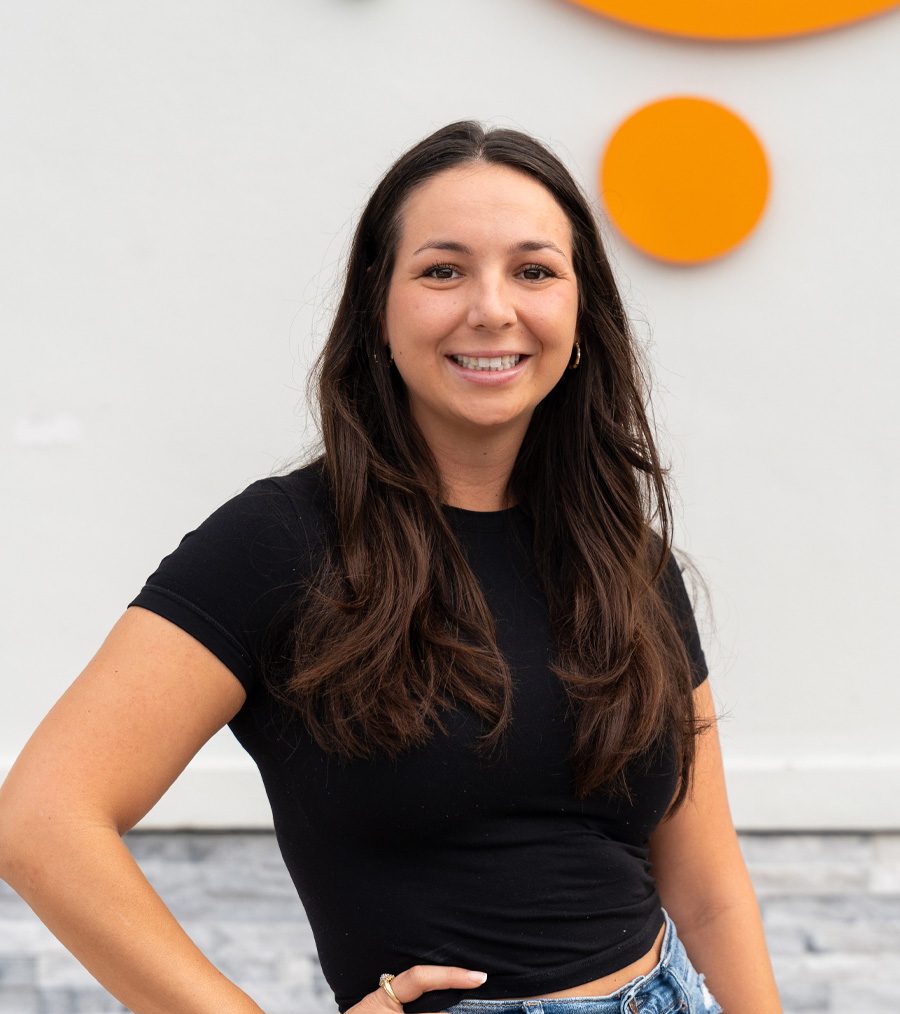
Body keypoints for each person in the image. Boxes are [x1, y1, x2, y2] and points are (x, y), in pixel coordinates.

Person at [0, 120, 781, 1014]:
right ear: (378, 303)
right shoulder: (282, 543)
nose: (492, 309)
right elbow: (42, 819)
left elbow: (709, 887)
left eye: (534, 271)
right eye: (442, 270)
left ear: (580, 310)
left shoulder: (624, 555)